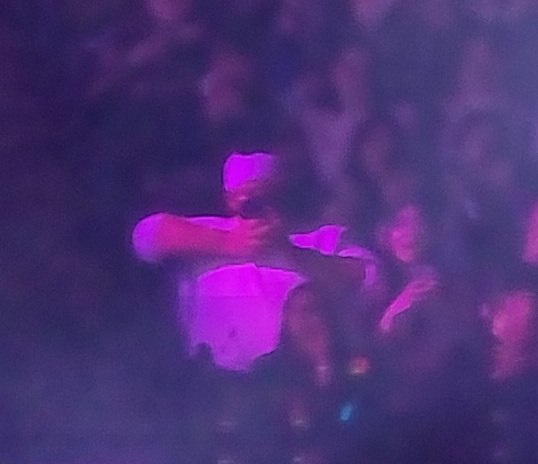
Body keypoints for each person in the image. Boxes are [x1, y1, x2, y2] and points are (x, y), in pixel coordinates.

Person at [128, 152, 370, 372]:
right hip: (222, 386)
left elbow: (366, 274)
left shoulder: (319, 238)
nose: (261, 206)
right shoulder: (204, 235)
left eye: (268, 195)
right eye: (250, 198)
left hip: (309, 377)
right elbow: (145, 236)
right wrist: (227, 242)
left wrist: (287, 249)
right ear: (230, 200)